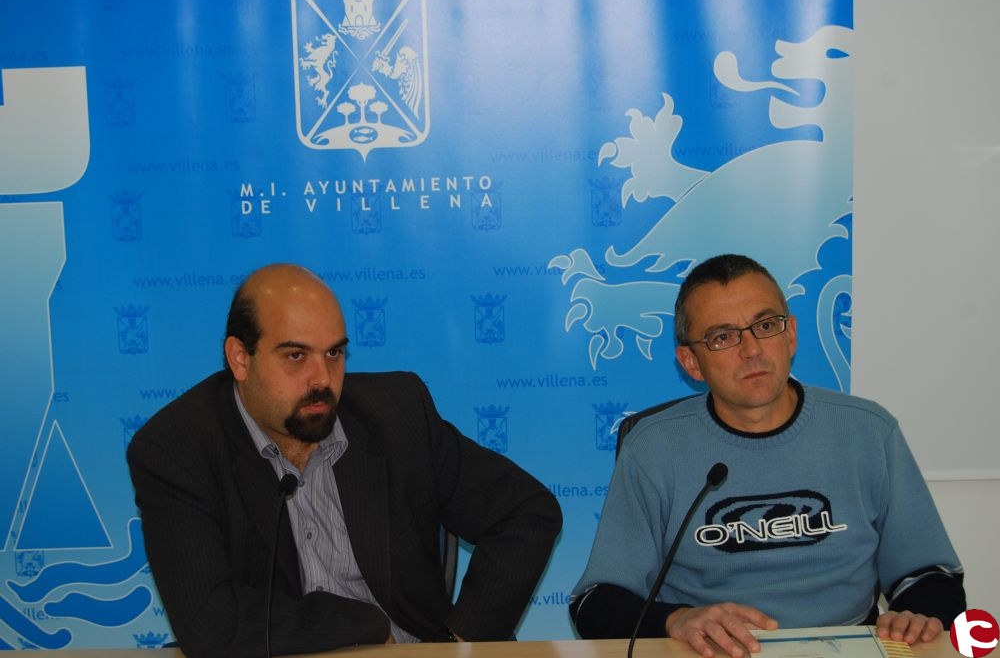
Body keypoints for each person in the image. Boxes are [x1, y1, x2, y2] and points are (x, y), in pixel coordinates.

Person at [127, 263, 562, 658]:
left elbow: (526, 512)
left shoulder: (397, 414)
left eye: (334, 353)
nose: (322, 379)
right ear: (240, 358)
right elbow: (210, 625)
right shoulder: (176, 451)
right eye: (296, 356)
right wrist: (365, 626)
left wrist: (455, 644)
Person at [569, 254, 964, 657]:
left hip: (843, 646)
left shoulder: (868, 431)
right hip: (713, 652)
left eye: (765, 326)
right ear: (691, 363)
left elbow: (931, 575)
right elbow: (594, 602)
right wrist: (676, 620)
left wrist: (917, 614)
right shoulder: (655, 447)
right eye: (723, 337)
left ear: (790, 334)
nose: (751, 350)